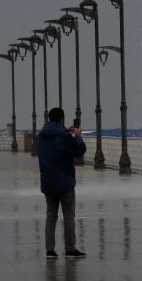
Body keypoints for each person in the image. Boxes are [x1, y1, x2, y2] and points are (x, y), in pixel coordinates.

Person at [38, 107, 86, 259]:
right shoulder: (63, 136)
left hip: (47, 182)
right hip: (64, 181)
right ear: (61, 119)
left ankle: (50, 250)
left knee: (51, 215)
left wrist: (66, 132)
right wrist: (77, 136)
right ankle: (70, 248)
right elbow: (79, 150)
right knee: (68, 215)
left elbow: (54, 144)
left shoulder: (42, 135)